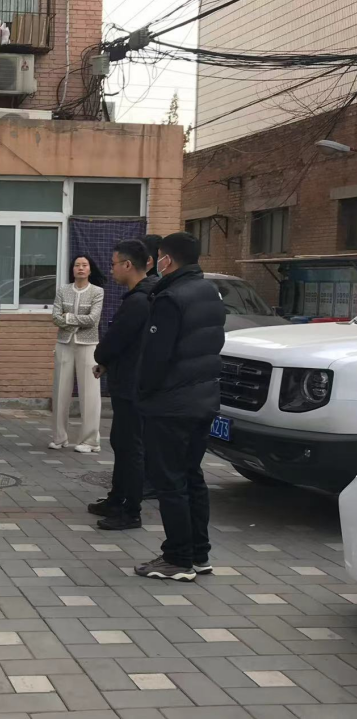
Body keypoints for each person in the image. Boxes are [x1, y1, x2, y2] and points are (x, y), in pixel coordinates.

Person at [135, 232, 225, 583]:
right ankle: (199, 554)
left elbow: (156, 357)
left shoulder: (171, 298)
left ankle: (177, 558)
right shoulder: (209, 292)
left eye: (158, 256)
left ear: (167, 259)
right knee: (191, 477)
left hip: (171, 404)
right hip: (203, 399)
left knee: (170, 482)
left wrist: (143, 393)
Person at [89, 240, 158, 530]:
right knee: (121, 443)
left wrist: (102, 357)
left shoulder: (139, 301)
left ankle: (131, 511)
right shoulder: (145, 295)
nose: (111, 270)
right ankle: (116, 498)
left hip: (133, 386)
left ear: (128, 265)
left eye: (114, 264)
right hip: (129, 381)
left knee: (131, 448)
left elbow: (116, 340)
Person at [50, 254, 105, 453]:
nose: (80, 268)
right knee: (60, 391)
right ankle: (59, 437)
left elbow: (93, 319)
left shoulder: (97, 292)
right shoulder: (62, 290)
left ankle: (90, 441)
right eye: (77, 265)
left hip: (88, 344)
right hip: (64, 343)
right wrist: (72, 320)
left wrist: (68, 318)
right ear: (72, 269)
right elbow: (55, 317)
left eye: (84, 265)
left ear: (90, 269)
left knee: (90, 393)